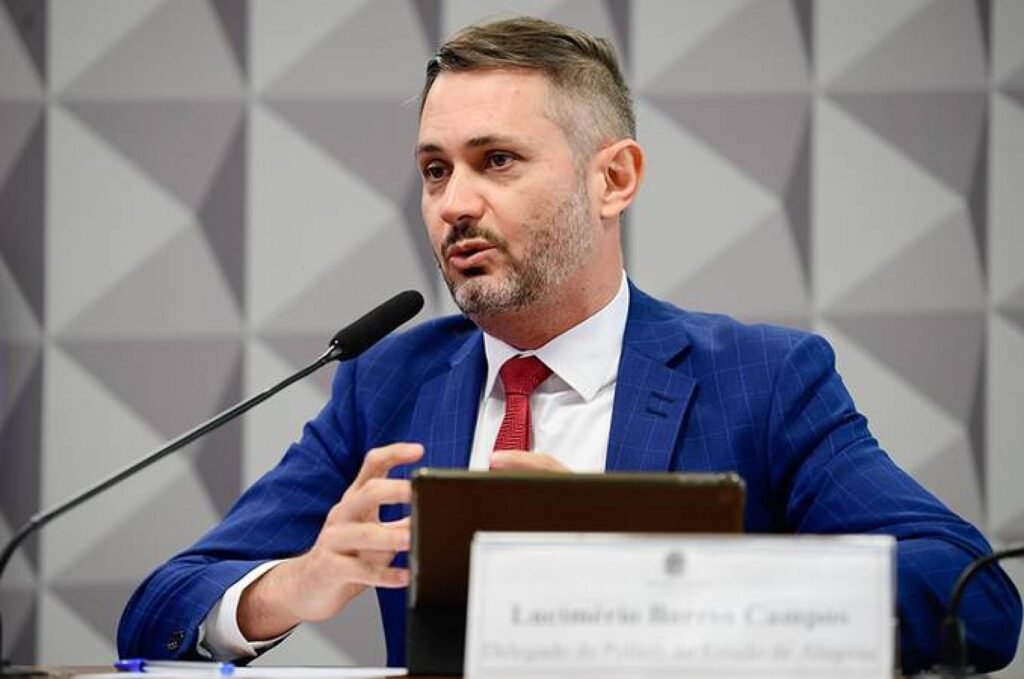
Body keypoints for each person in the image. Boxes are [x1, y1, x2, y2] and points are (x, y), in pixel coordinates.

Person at [117, 16, 1021, 673]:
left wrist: (647, 568)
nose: (453, 203)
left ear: (614, 178)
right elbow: (160, 608)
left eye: (496, 160)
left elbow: (970, 596)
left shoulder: (761, 378)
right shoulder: (388, 383)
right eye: (434, 169)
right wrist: (296, 583)